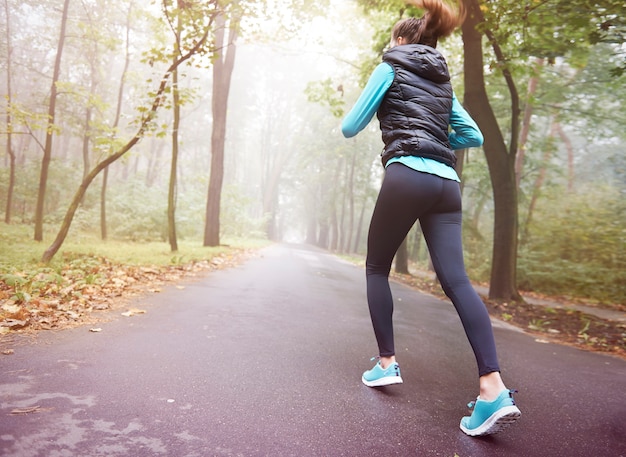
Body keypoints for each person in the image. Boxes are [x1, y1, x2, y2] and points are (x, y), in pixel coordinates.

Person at [341, 0, 521, 437]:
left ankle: (386, 364)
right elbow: (473, 136)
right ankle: (492, 387)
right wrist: (436, 135)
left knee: (376, 267)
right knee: (457, 282)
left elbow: (351, 125)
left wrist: (403, 130)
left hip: (407, 174)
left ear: (400, 41)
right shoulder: (444, 83)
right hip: (447, 184)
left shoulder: (390, 66)